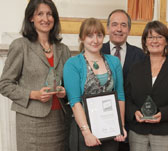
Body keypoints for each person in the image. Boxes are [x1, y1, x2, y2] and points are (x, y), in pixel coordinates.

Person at [0, 0, 71, 151]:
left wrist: (65, 92)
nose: (45, 19)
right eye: (40, 14)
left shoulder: (63, 49)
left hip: (60, 121)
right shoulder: (20, 45)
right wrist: (34, 94)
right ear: (31, 18)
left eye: (49, 14)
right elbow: (5, 84)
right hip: (31, 123)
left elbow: (68, 84)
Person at [125, 20, 168, 151]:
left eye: (159, 37)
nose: (154, 41)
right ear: (145, 41)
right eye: (150, 37)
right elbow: (127, 98)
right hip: (138, 133)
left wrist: (164, 113)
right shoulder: (135, 68)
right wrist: (134, 112)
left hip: (166, 133)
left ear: (166, 41)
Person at [63, 18, 127, 151]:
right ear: (81, 38)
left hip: (110, 130)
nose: (95, 40)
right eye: (90, 35)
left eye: (99, 35)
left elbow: (120, 96)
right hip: (85, 130)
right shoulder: (73, 64)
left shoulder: (114, 62)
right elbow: (75, 102)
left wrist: (120, 126)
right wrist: (87, 133)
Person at [101, 9, 145, 151]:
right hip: (102, 120)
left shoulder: (140, 55)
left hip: (132, 122)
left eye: (123, 25)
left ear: (129, 29)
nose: (119, 29)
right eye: (114, 24)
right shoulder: (98, 50)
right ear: (108, 28)